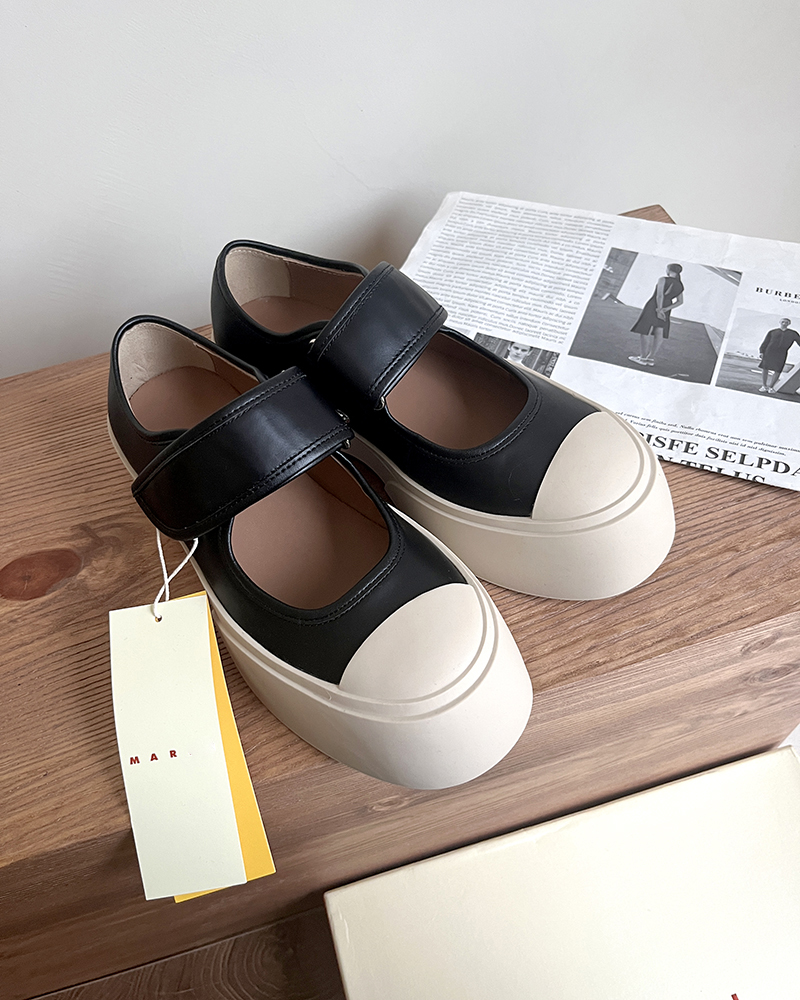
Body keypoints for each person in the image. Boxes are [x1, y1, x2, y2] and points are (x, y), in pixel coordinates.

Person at [629, 263, 684, 367]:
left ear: (669, 270)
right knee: (659, 332)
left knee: (644, 330)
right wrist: (665, 309)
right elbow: (680, 302)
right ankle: (650, 358)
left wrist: (659, 310)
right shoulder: (680, 285)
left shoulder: (663, 279)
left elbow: (659, 295)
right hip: (666, 307)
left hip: (654, 305)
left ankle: (643, 358)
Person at [758, 318, 800, 393]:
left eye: (786, 322)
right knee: (765, 368)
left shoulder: (793, 333)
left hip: (782, 353)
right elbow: (765, 342)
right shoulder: (772, 332)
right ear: (780, 322)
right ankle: (764, 386)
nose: (784, 323)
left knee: (778, 370)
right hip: (769, 352)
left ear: (789, 324)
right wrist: (761, 352)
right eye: (783, 322)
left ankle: (771, 387)